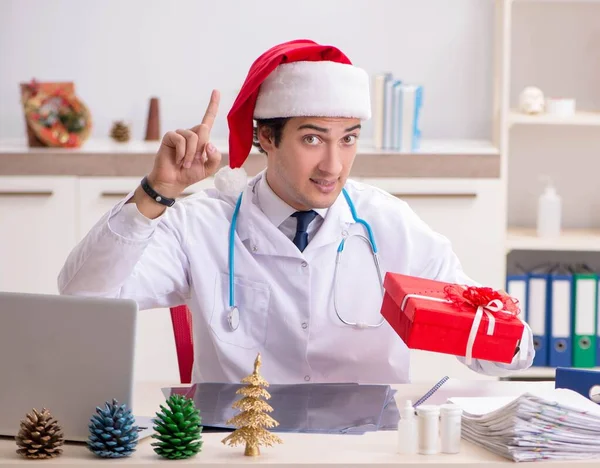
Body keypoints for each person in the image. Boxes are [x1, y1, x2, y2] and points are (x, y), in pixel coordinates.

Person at [58, 39, 533, 384]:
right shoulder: (201, 222)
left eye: (347, 139)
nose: (334, 165)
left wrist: (505, 336)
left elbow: (498, 355)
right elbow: (84, 296)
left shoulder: (389, 224)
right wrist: (155, 192)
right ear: (266, 138)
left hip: (364, 453)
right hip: (239, 448)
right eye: (312, 139)